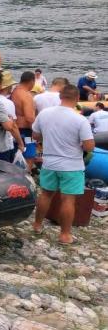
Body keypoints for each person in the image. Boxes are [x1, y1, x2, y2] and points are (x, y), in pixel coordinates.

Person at [32, 84, 96, 245]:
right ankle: (65, 235)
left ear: (60, 97)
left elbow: (36, 136)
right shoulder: (80, 119)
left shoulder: (45, 114)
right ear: (76, 99)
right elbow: (89, 147)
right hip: (72, 165)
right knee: (68, 200)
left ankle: (37, 225)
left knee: (46, 194)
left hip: (49, 162)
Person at [12, 71, 37, 168]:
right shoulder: (26, 95)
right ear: (32, 81)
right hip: (26, 131)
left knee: (16, 154)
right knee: (29, 156)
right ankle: (26, 177)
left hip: (15, 130)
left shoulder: (14, 91)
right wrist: (36, 132)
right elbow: (29, 118)